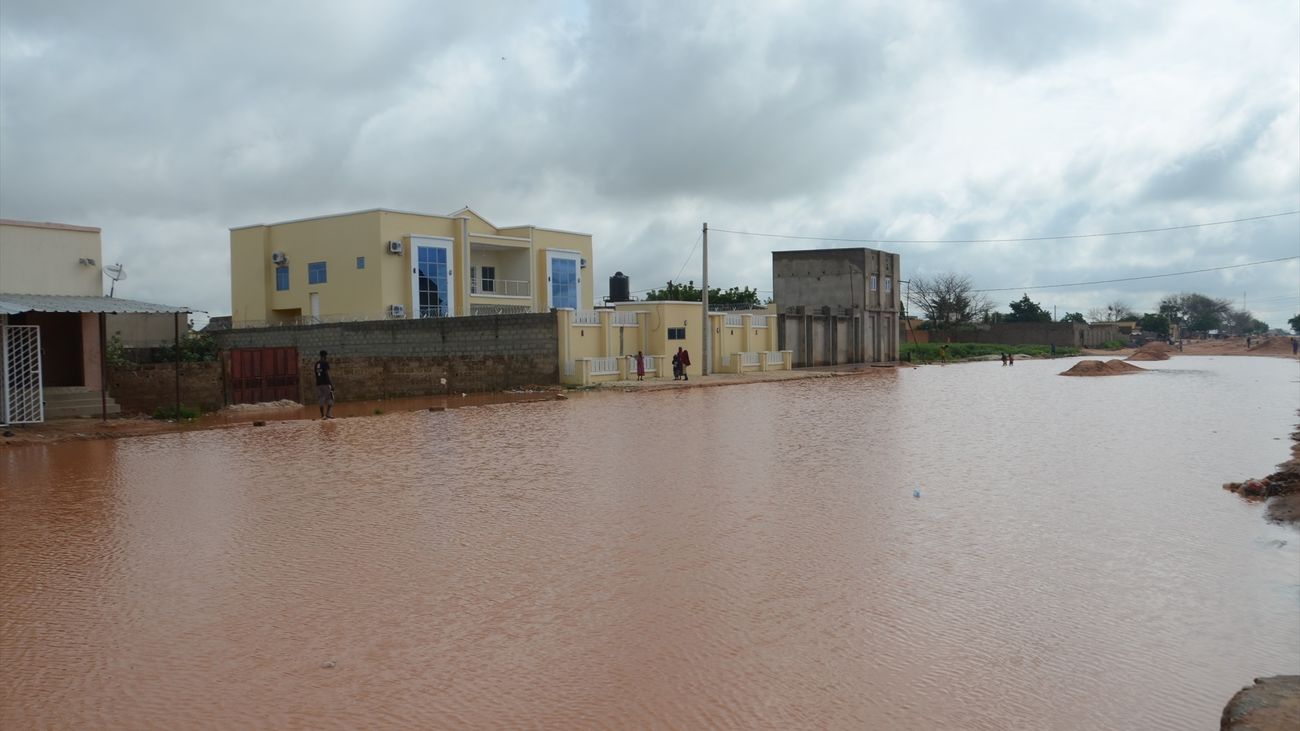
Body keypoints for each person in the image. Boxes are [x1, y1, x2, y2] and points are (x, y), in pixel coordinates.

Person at [314, 349, 334, 419]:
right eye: (326, 356)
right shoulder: (325, 363)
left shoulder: (316, 364)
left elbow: (316, 374)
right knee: (330, 398)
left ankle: (322, 415)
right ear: (325, 356)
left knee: (321, 398)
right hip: (325, 383)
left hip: (318, 384)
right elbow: (327, 373)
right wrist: (331, 384)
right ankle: (328, 414)